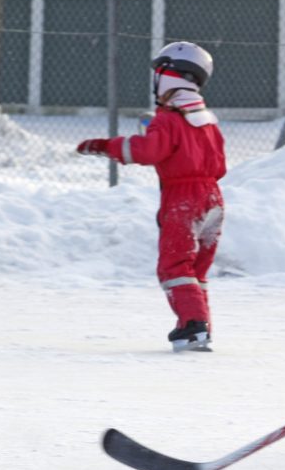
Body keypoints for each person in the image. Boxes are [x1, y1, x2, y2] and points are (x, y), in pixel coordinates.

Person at [76, 41, 226, 352]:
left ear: (170, 76)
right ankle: (199, 325)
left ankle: (193, 326)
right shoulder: (207, 120)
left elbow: (148, 151)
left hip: (183, 199)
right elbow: (220, 165)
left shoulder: (168, 118)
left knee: (175, 264)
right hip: (213, 198)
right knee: (195, 269)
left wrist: (106, 146)